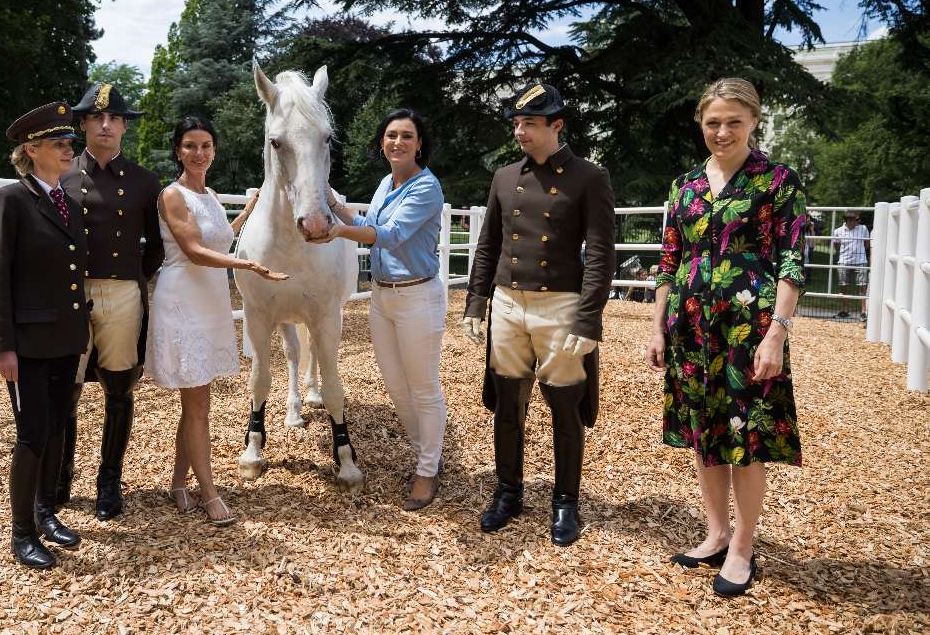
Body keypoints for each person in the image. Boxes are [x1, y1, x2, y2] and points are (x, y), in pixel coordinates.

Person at [645, 78, 807, 598]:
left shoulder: (777, 181)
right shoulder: (685, 185)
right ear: (701, 124)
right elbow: (669, 261)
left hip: (749, 329)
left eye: (734, 121)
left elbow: (791, 260)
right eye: (713, 122)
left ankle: (742, 545)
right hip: (690, 329)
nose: (722, 131)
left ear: (754, 122)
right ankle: (715, 533)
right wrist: (656, 327)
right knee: (704, 432)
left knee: (745, 439)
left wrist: (777, 333)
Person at [462, 81, 615, 544]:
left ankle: (566, 501)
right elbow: (488, 244)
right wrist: (476, 301)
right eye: (517, 122)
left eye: (529, 123)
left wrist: (588, 320)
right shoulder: (505, 177)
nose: (520, 132)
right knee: (508, 405)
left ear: (557, 125)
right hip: (508, 304)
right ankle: (508, 492)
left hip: (561, 306)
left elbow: (602, 254)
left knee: (564, 408)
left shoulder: (590, 177)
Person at [145, 117, 287, 526]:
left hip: (209, 302)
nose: (199, 152)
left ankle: (178, 483)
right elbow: (193, 249)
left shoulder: (208, 193)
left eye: (206, 145)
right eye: (190, 145)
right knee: (199, 405)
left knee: (195, 404)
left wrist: (246, 212)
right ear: (178, 151)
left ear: (214, 150)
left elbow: (219, 238)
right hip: (183, 302)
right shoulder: (172, 195)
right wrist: (249, 265)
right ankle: (209, 493)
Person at [322, 109, 448, 511]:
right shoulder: (384, 183)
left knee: (424, 387)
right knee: (396, 385)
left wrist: (339, 232)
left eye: (407, 136)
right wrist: (332, 203)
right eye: (391, 135)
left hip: (416, 296)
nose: (398, 142)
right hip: (382, 296)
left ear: (419, 144)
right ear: (382, 142)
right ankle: (425, 454)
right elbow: (369, 220)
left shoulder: (426, 188)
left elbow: (389, 237)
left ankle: (427, 471)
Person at [0, 101, 90, 569]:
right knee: (31, 434)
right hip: (28, 342)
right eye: (60, 144)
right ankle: (21, 532)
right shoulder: (9, 200)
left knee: (57, 426)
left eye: (70, 143)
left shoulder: (66, 199)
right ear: (32, 149)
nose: (70, 150)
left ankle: (46, 512)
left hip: (65, 336)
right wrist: (1, 344)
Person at [58, 82, 164, 520]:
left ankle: (109, 481)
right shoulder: (60, 177)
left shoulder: (143, 181)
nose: (106, 125)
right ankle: (60, 477)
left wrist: (135, 280)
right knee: (66, 389)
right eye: (97, 118)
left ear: (123, 126)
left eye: (114, 118)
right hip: (69, 292)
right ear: (83, 123)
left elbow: (156, 246)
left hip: (122, 291)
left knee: (119, 390)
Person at [832, 211, 869, 320]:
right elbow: (836, 246)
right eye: (855, 220)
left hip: (860, 261)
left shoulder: (863, 229)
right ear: (848, 220)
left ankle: (863, 311)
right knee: (843, 286)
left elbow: (867, 244)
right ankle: (845, 310)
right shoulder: (838, 231)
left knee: (862, 286)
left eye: (857, 220)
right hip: (844, 261)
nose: (857, 222)